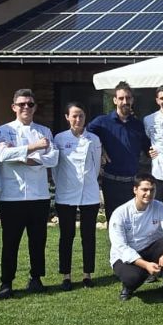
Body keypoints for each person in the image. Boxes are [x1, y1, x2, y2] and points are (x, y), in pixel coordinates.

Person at [0, 88, 59, 298]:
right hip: (12, 196)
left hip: (39, 195)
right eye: (21, 104)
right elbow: (3, 154)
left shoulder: (44, 132)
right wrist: (33, 148)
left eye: (30, 104)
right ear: (14, 107)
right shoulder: (4, 130)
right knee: (10, 242)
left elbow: (54, 158)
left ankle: (36, 278)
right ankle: (6, 283)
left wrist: (25, 157)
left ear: (35, 107)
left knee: (38, 241)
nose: (26, 108)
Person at [108, 174, 163, 303]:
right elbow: (120, 247)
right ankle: (128, 287)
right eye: (144, 190)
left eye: (152, 190)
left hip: (150, 248)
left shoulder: (159, 207)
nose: (148, 194)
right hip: (125, 255)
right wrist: (146, 265)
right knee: (133, 278)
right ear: (135, 190)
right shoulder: (120, 213)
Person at [53, 103, 102, 290]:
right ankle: (66, 275)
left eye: (81, 116)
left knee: (88, 235)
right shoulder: (59, 138)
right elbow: (55, 168)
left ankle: (87, 274)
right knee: (67, 235)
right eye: (74, 116)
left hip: (89, 193)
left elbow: (96, 166)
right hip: (66, 193)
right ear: (67, 117)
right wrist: (63, 185)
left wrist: (87, 181)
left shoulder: (94, 139)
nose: (78, 119)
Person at [87, 81, 151, 219]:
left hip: (132, 183)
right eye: (121, 98)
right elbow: (85, 136)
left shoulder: (138, 125)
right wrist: (100, 149)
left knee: (133, 221)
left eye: (128, 98)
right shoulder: (102, 122)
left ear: (132, 100)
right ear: (115, 100)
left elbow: (148, 148)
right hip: (111, 182)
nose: (125, 101)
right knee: (114, 221)